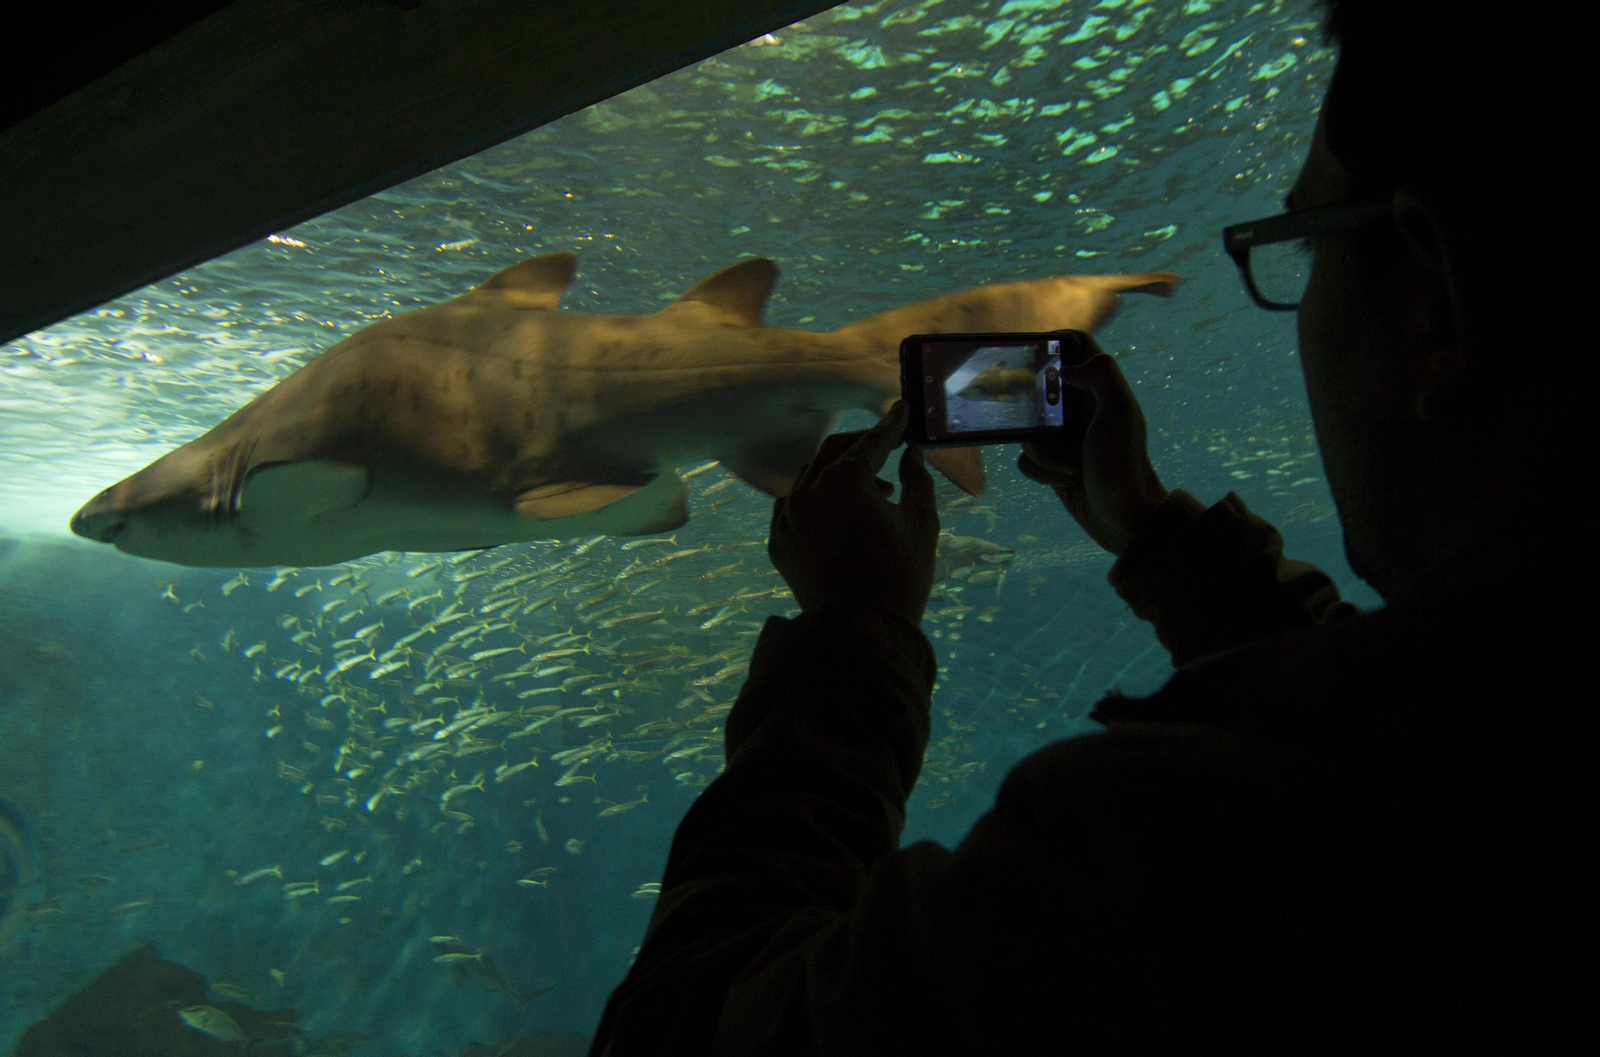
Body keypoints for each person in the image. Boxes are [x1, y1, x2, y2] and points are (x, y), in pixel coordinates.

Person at [590, 1, 1589, 1052]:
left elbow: (687, 1030)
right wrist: (1157, 535)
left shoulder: (1163, 865)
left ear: (1436, 302)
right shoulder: (1510, 742)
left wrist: (850, 633)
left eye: (1296, 247)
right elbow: (1396, 724)